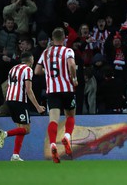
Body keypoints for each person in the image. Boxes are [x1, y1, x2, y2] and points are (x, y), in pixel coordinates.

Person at [34, 27, 78, 163]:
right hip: (67, 89)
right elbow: (71, 64)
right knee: (70, 115)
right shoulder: (68, 50)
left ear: (52, 39)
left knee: (53, 120)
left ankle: (53, 143)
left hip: (52, 91)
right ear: (64, 38)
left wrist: (48, 73)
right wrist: (74, 77)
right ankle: (66, 136)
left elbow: (36, 71)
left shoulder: (46, 52)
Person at [0, 52, 45, 161]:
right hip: (19, 101)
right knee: (26, 130)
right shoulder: (28, 70)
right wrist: (37, 106)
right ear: (31, 60)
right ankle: (4, 134)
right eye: (33, 60)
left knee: (21, 128)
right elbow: (28, 90)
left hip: (9, 100)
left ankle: (15, 155)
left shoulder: (12, 69)